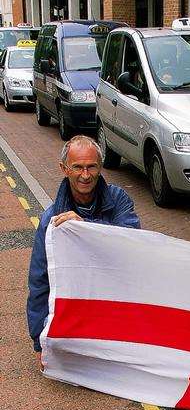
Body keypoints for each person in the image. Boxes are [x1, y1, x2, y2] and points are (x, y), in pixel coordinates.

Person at [27, 135, 141, 365]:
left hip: (115, 300)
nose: (85, 175)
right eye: (77, 167)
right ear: (64, 169)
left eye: (91, 167)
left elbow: (132, 243)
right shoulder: (51, 219)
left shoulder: (119, 200)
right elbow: (40, 280)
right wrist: (40, 341)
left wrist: (85, 228)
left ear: (100, 166)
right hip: (79, 305)